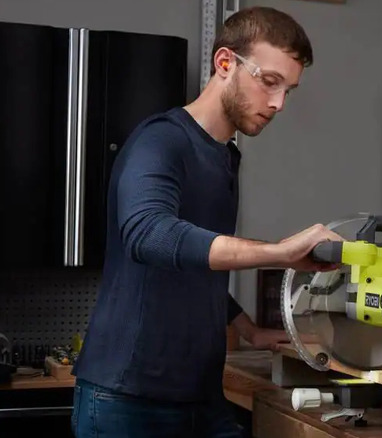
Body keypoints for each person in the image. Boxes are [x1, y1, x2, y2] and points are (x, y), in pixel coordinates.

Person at [70, 6, 341, 437]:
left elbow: (195, 264)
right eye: (269, 81)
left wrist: (248, 330)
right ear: (225, 63)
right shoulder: (161, 140)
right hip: (128, 401)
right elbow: (150, 236)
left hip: (200, 395)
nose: (278, 103)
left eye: (288, 90)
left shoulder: (224, 158)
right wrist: (278, 252)